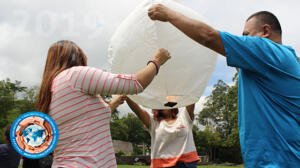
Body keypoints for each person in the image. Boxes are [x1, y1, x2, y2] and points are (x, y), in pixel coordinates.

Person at [148, 4, 300, 167]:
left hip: (278, 162)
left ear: (265, 31)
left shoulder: (268, 51)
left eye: (246, 35)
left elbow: (208, 37)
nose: (244, 40)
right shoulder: (281, 61)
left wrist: (168, 15)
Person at [35, 40, 171, 168]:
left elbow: (84, 120)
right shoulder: (75, 75)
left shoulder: (50, 91)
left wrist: (114, 103)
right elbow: (135, 84)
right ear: (78, 58)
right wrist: (157, 61)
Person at [121, 95, 199, 168]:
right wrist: (126, 95)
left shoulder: (184, 117)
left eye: (167, 103)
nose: (163, 106)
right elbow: (136, 109)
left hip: (186, 163)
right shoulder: (154, 123)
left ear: (173, 107)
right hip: (161, 164)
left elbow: (191, 96)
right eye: (161, 104)